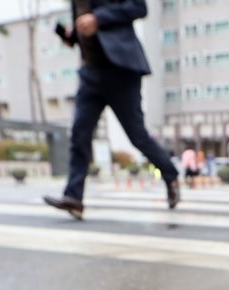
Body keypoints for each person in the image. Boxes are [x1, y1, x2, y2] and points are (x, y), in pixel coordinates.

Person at [44, 0, 179, 220]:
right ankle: (74, 197)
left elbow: (139, 7)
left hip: (121, 71)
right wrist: (72, 36)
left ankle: (170, 174)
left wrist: (98, 19)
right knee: (79, 134)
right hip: (90, 73)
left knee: (137, 136)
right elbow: (86, 31)